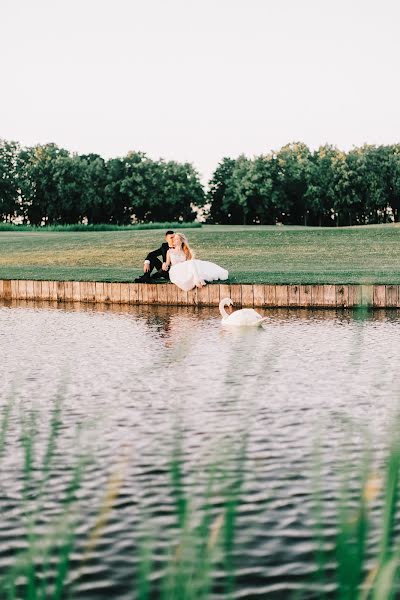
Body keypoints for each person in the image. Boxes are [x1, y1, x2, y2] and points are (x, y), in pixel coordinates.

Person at [164, 232, 228, 291]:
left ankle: (197, 280)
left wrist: (192, 256)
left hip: (184, 269)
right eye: (174, 239)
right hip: (176, 270)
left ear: (181, 241)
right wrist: (164, 265)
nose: (175, 240)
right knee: (192, 263)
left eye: (177, 239)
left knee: (195, 262)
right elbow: (167, 263)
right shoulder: (170, 251)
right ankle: (197, 280)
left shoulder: (185, 251)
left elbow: (189, 263)